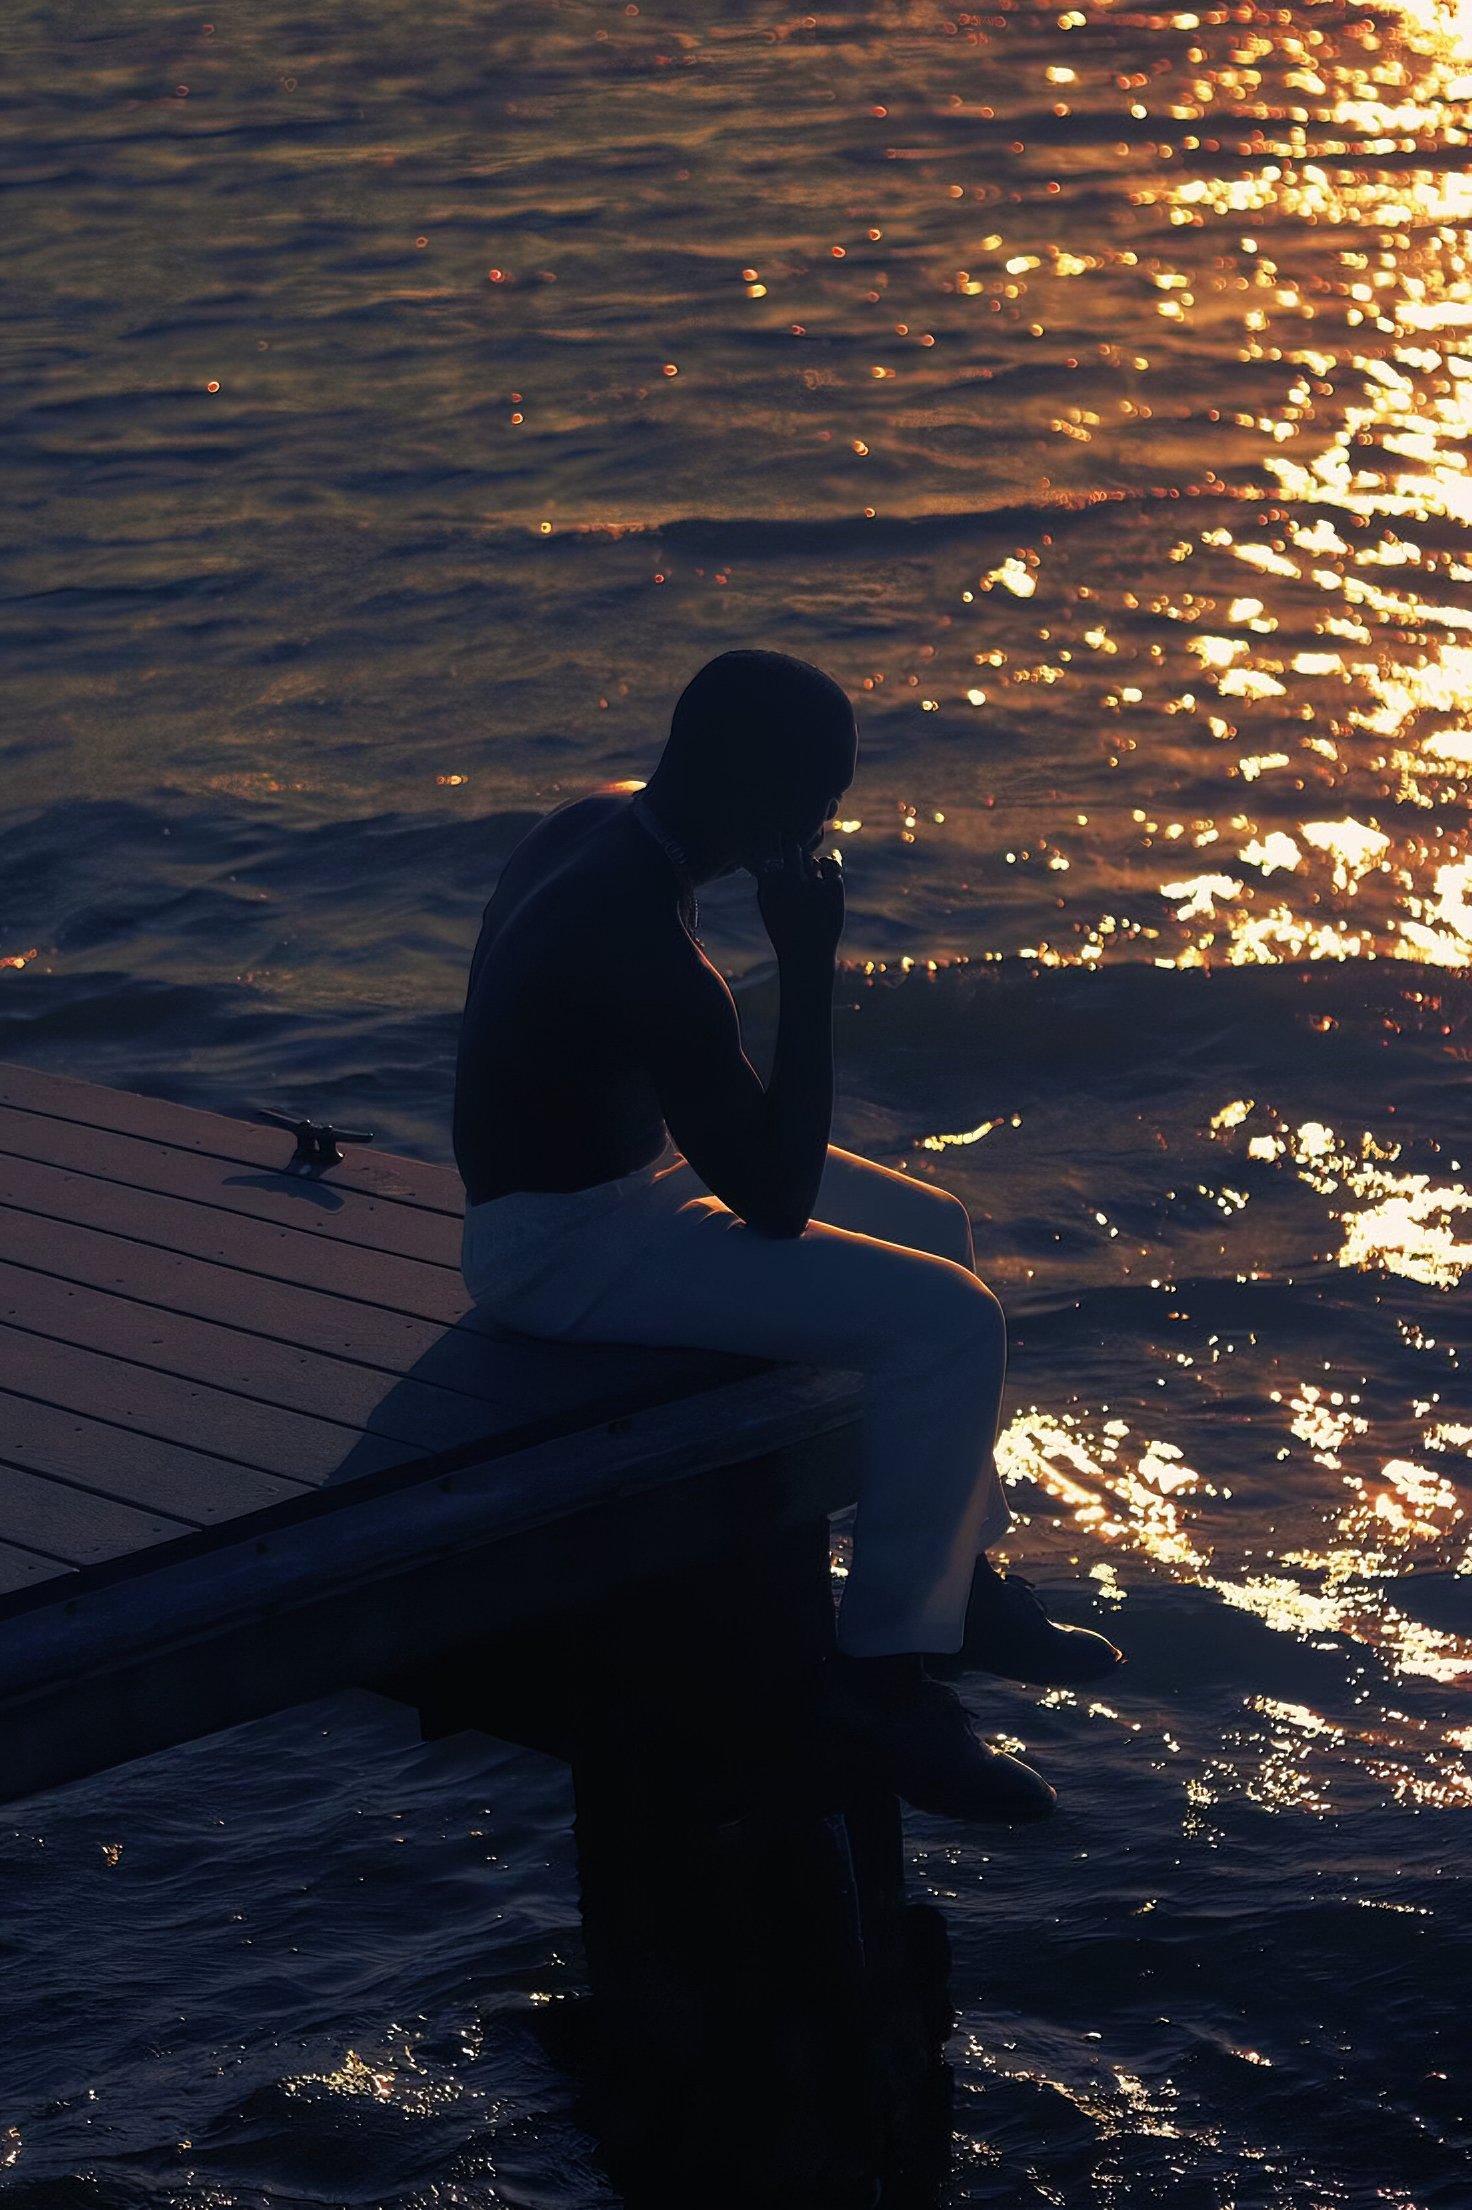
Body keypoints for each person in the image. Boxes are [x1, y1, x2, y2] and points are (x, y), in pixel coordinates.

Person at [454, 649, 1122, 1824]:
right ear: (747, 789)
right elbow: (774, 1194)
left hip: (619, 1177)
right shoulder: (646, 948)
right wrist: (807, 962)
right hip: (558, 1252)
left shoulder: (604, 819)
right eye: (816, 798)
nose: (824, 826)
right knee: (950, 1323)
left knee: (934, 1224)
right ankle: (882, 1679)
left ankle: (956, 1581)